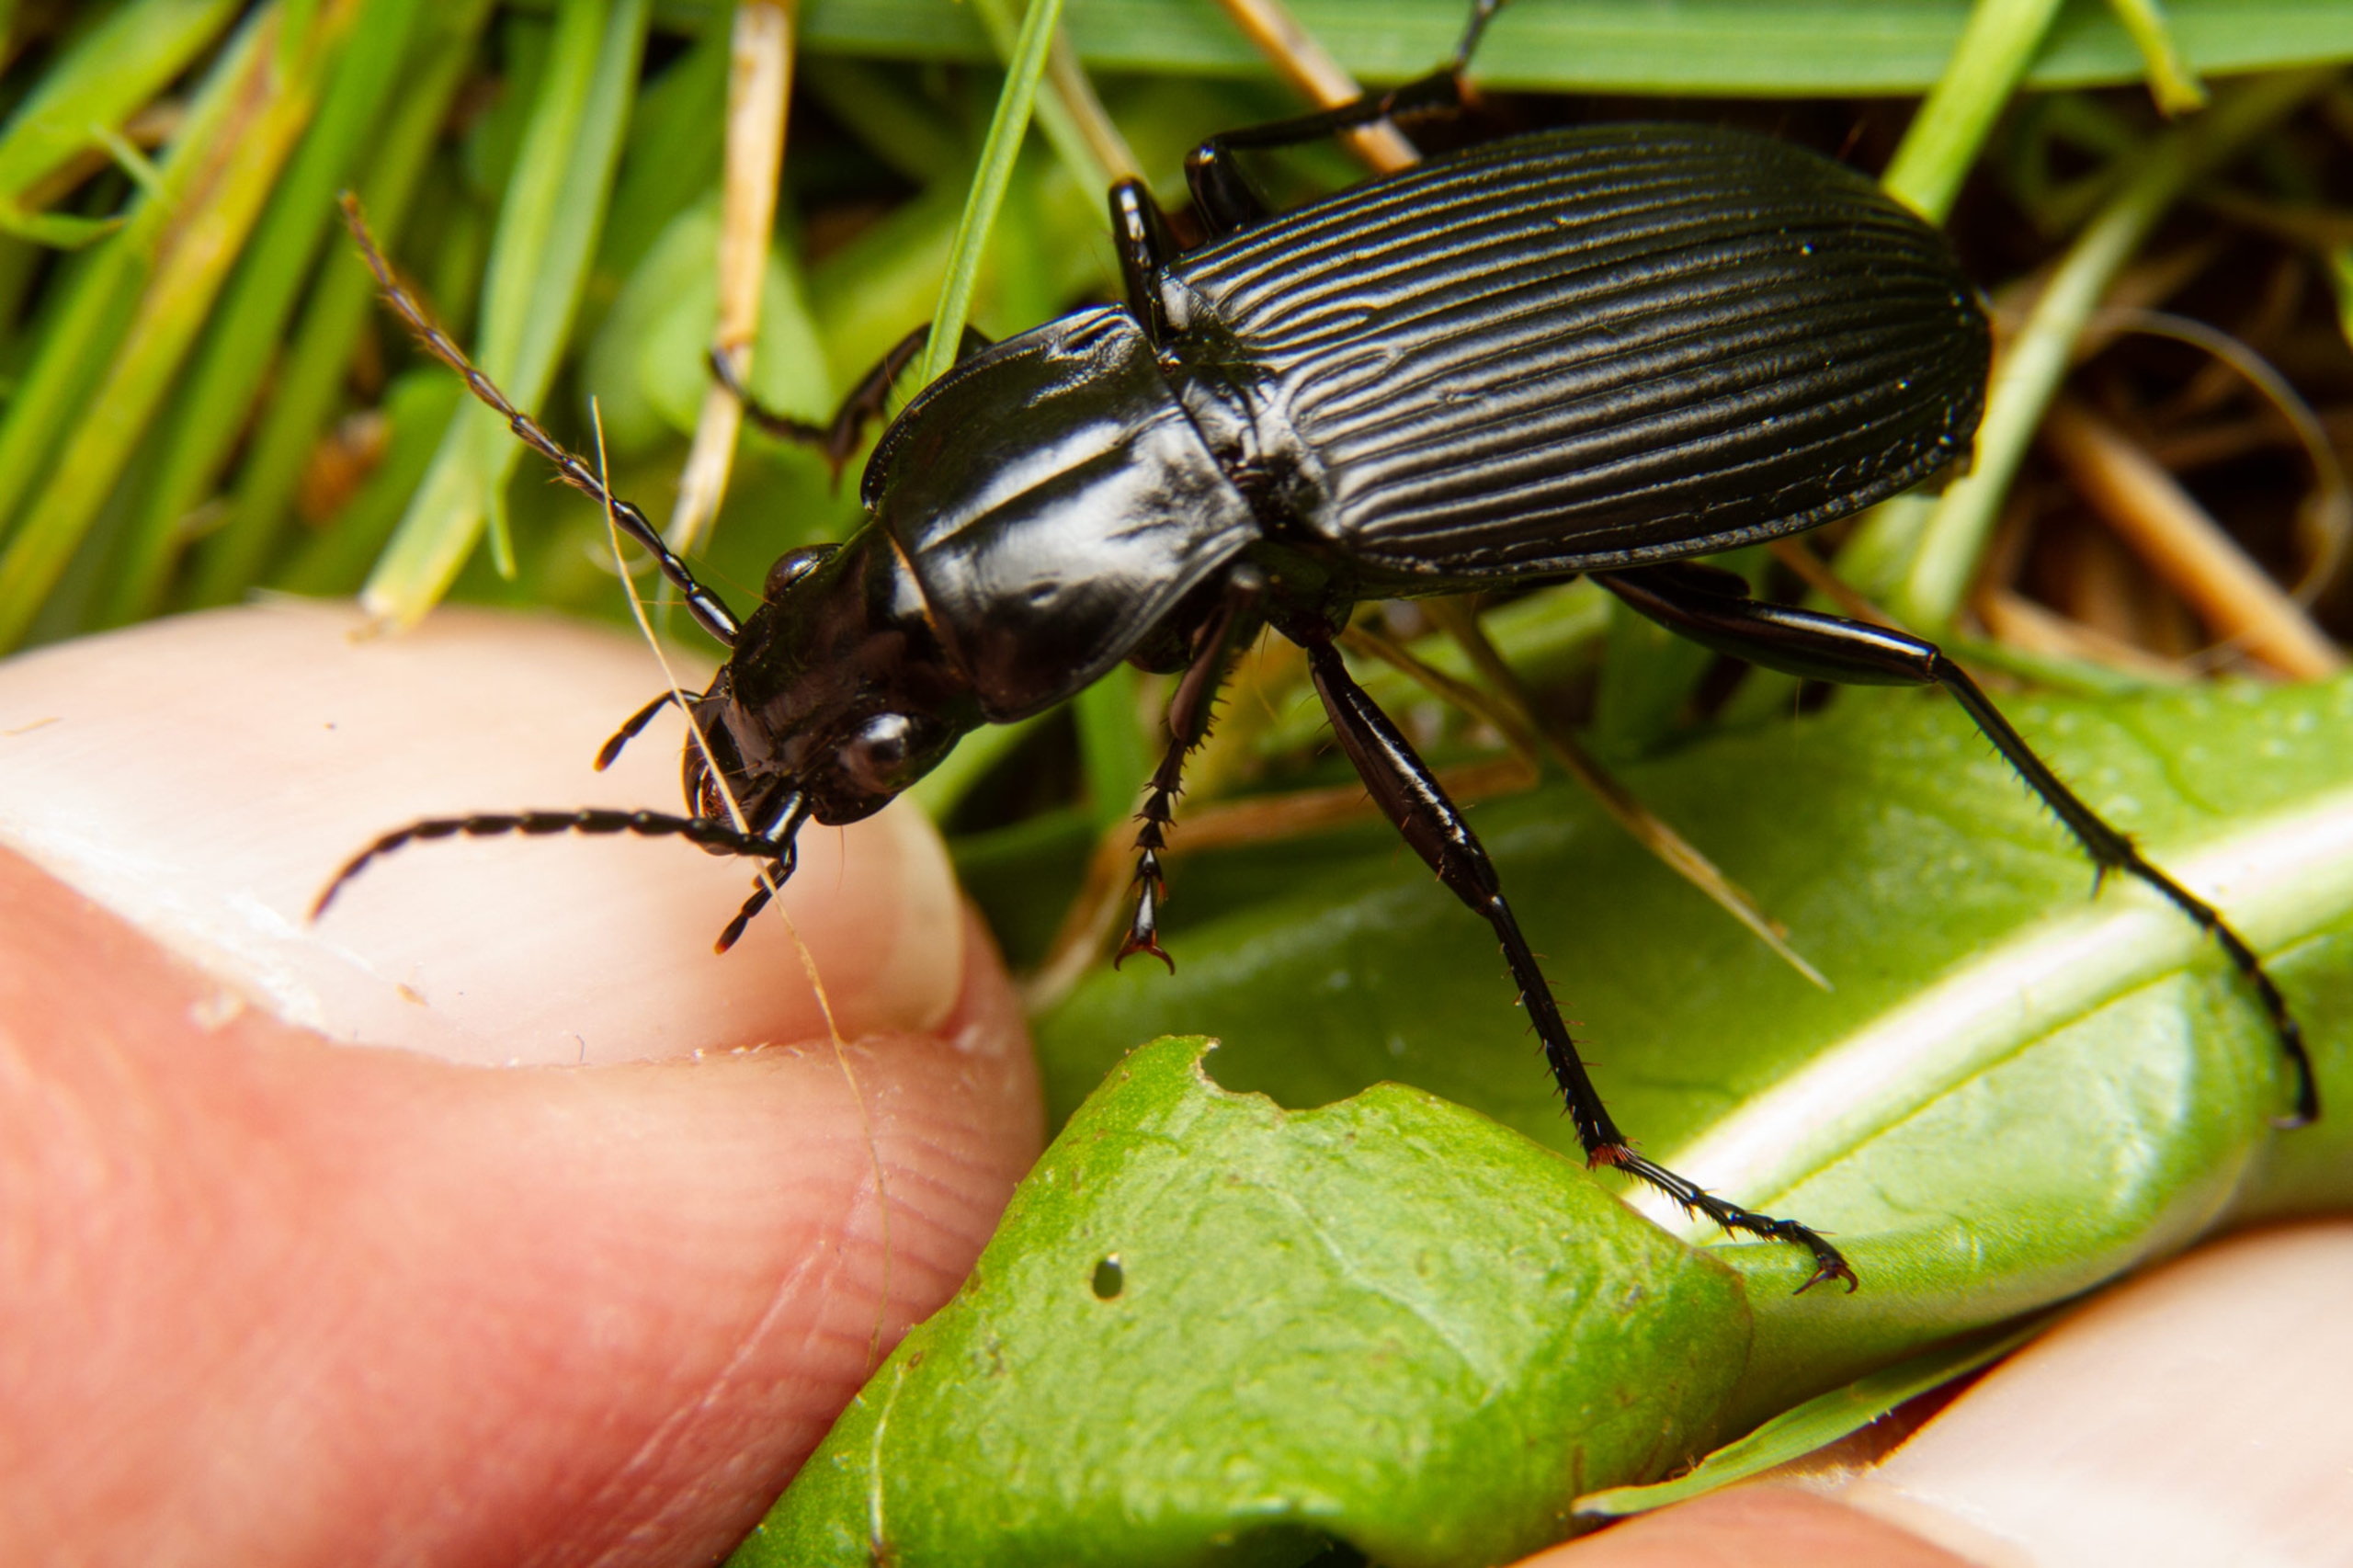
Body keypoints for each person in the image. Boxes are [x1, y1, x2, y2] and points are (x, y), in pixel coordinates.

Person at [2, 603, 2341, 1565]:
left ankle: (1645, 1116)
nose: (844, 740)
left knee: (1767, 724)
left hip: (1759, 353)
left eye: (877, 730)